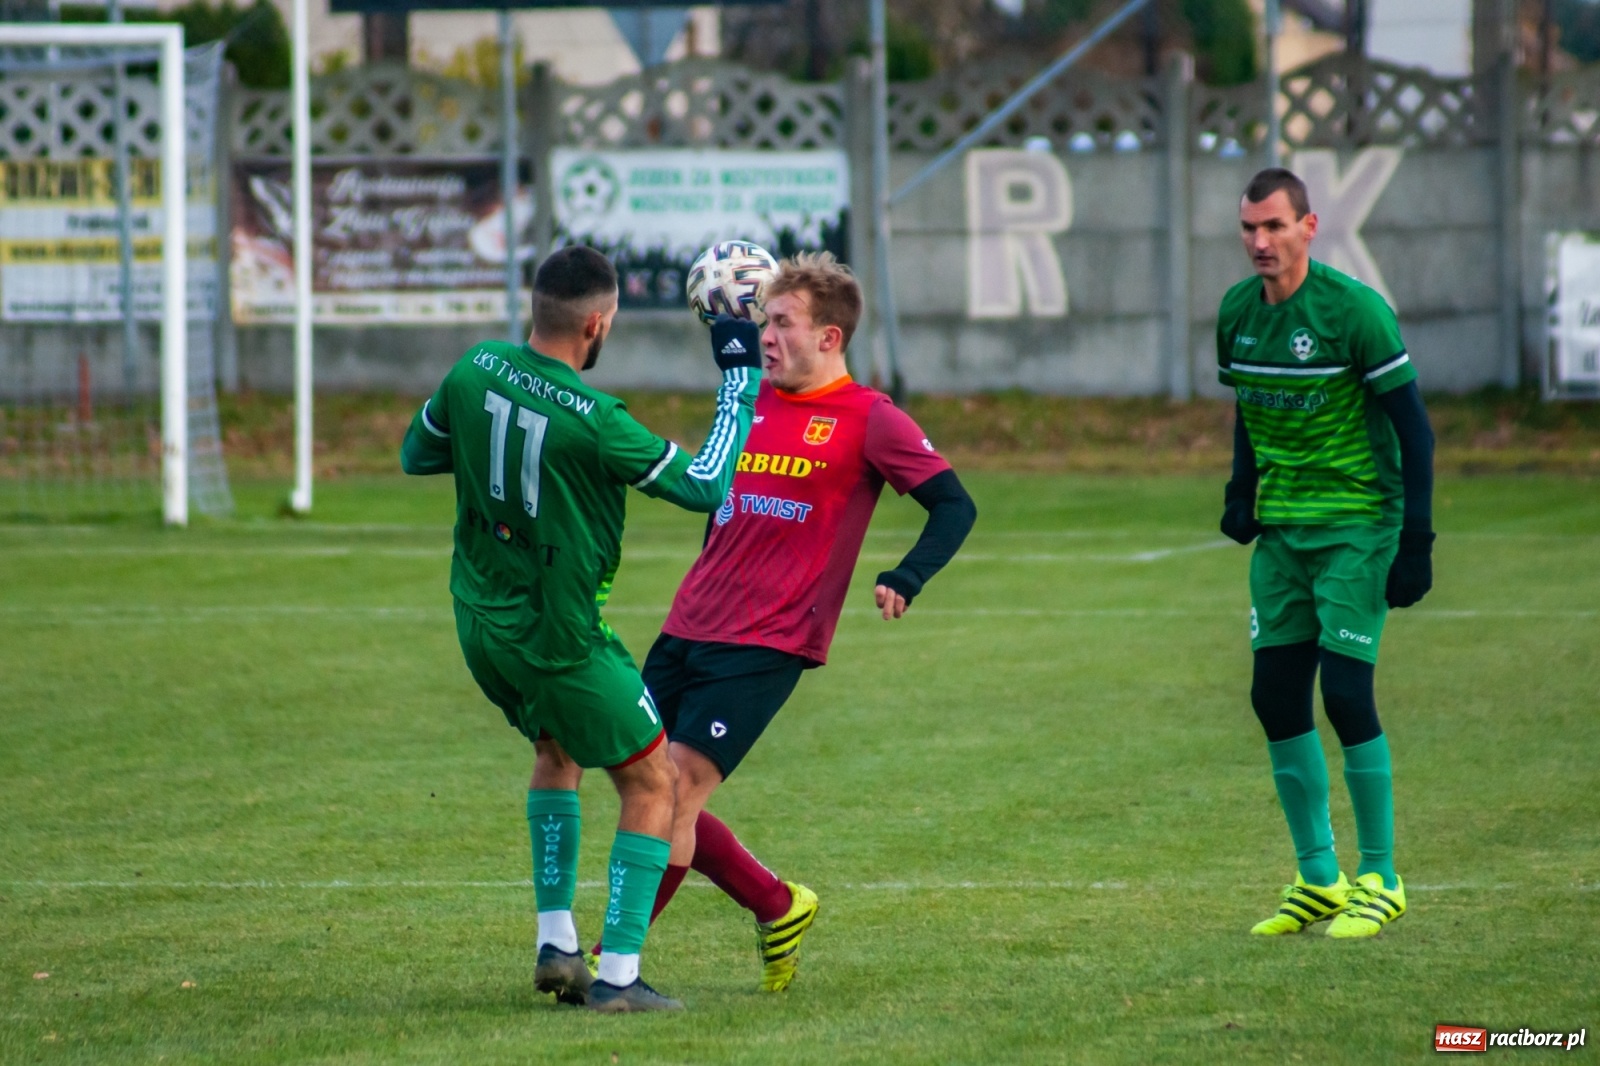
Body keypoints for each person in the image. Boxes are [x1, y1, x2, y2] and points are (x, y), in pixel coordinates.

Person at [556, 250, 977, 989]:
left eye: (781, 323)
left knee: (676, 790)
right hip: (689, 624)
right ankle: (775, 904)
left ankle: (610, 961)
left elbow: (955, 504)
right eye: (762, 322)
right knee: (644, 785)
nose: (766, 337)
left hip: (769, 640)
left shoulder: (869, 418)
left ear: (830, 338)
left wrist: (905, 575)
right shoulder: (748, 402)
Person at [399, 245, 763, 1011]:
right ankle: (620, 980)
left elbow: (417, 452)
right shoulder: (598, 421)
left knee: (555, 750)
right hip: (561, 641)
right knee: (653, 781)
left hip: (483, 625)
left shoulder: (473, 370)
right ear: (596, 323)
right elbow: (704, 485)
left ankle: (558, 943)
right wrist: (740, 375)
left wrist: (501, 468)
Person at [1216, 168, 1435, 938]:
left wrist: (1417, 539)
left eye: (1273, 226)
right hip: (1283, 535)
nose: (1259, 242)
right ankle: (1320, 879)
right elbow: (1248, 406)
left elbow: (1414, 428)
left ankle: (1382, 875)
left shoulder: (1355, 313)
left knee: (1344, 696)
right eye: (1248, 228)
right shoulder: (1239, 313)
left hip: (1357, 527)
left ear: (1309, 228)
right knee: (1274, 698)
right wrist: (1241, 491)